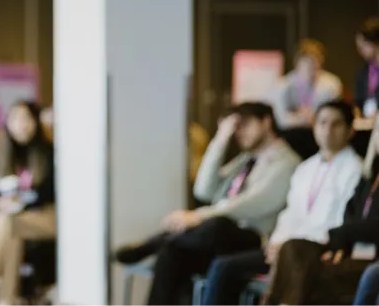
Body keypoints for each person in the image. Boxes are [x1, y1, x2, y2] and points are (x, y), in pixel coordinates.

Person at [114, 102, 301, 306]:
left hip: (255, 239)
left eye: (244, 124)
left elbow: (253, 203)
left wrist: (198, 216)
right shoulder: (246, 160)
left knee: (215, 224)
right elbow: (204, 189)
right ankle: (163, 244)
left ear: (266, 122)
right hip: (222, 241)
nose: (239, 132)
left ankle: (154, 243)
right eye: (234, 127)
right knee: (172, 254)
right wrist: (220, 139)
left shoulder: (287, 162)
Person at [201, 100, 363, 306]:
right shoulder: (306, 168)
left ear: (350, 131)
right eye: (322, 123)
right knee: (224, 265)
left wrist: (287, 246)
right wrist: (277, 243)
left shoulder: (355, 170)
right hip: (285, 245)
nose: (328, 130)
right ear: (314, 127)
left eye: (336, 124)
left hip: (316, 248)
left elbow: (339, 221)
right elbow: (291, 213)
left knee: (288, 265)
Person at [265, 103, 379, 306]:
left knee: (303, 276)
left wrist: (344, 234)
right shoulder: (370, 177)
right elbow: (351, 214)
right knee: (294, 248)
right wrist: (338, 243)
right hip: (352, 255)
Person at [0, 101, 55, 306]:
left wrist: (19, 201)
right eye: (15, 118)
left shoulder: (47, 152)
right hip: (20, 219)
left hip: (48, 215)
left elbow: (47, 193)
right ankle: (6, 300)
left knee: (8, 222)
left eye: (26, 118)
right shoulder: (7, 155)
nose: (21, 124)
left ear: (35, 121)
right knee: (12, 233)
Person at [272, 39, 343, 129]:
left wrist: (314, 118)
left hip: (322, 131)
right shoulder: (283, 85)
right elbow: (280, 118)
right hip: (291, 132)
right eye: (306, 62)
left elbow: (334, 115)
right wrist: (298, 119)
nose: (311, 66)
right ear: (297, 63)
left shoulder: (332, 84)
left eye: (315, 61)